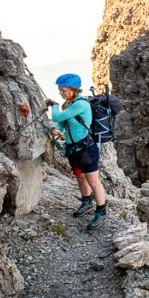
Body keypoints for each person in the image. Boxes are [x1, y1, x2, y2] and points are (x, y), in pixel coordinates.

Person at [47, 73, 107, 229]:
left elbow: (56, 117)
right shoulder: (69, 104)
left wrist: (53, 105)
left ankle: (101, 212)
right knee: (80, 177)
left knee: (93, 181)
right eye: (59, 89)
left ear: (73, 89)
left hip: (87, 149)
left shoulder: (80, 104)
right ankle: (86, 202)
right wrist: (56, 131)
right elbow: (61, 124)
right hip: (74, 150)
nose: (60, 92)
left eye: (63, 89)